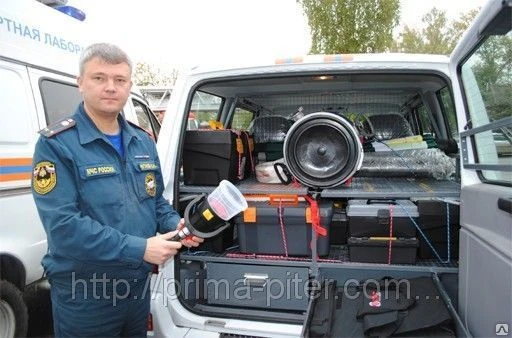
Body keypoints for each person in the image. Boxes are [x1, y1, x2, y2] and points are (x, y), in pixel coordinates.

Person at [31, 42, 203, 337]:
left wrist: (176, 224)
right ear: (80, 83)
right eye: (99, 78)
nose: (110, 87)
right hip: (85, 294)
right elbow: (63, 227)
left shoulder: (142, 141)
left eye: (119, 80)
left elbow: (154, 201)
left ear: (129, 85)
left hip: (135, 288)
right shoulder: (56, 144)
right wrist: (141, 248)